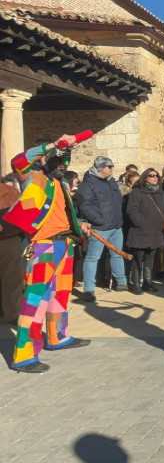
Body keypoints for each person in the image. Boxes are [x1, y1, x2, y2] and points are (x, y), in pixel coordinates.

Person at [5, 135, 91, 372]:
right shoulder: (32, 176)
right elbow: (17, 160)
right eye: (60, 159)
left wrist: (78, 223)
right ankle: (24, 355)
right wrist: (52, 145)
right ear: (47, 158)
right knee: (35, 300)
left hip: (65, 244)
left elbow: (59, 212)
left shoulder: (60, 183)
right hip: (43, 246)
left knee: (60, 295)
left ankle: (58, 337)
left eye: (67, 160)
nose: (64, 164)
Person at [76, 156, 128, 300]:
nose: (112, 168)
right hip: (100, 228)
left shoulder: (111, 182)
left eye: (112, 166)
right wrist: (99, 220)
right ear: (100, 168)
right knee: (93, 258)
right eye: (109, 166)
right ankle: (89, 289)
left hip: (116, 226)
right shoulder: (88, 184)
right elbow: (84, 205)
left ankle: (121, 281)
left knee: (117, 254)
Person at [125, 168, 164, 294]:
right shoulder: (137, 192)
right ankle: (136, 284)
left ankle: (147, 282)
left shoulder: (161, 193)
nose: (155, 177)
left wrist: (163, 219)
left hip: (155, 231)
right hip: (140, 232)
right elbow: (132, 210)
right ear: (145, 178)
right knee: (138, 258)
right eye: (151, 175)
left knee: (150, 258)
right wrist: (141, 223)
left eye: (156, 176)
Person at [0, 178, 24, 323]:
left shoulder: (11, 191)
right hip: (11, 238)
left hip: (10, 239)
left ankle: (13, 313)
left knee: (13, 280)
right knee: (13, 281)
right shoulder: (11, 191)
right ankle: (13, 314)